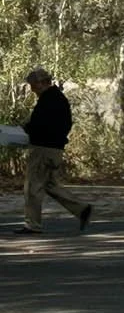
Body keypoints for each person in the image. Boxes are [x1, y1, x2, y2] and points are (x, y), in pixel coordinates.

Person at [17, 69, 92, 235]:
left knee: (33, 186)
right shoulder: (58, 98)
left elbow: (39, 124)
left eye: (33, 85)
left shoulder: (49, 100)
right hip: (54, 148)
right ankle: (82, 209)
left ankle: (32, 225)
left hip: (43, 148)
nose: (32, 89)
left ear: (43, 83)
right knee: (50, 185)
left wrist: (26, 130)